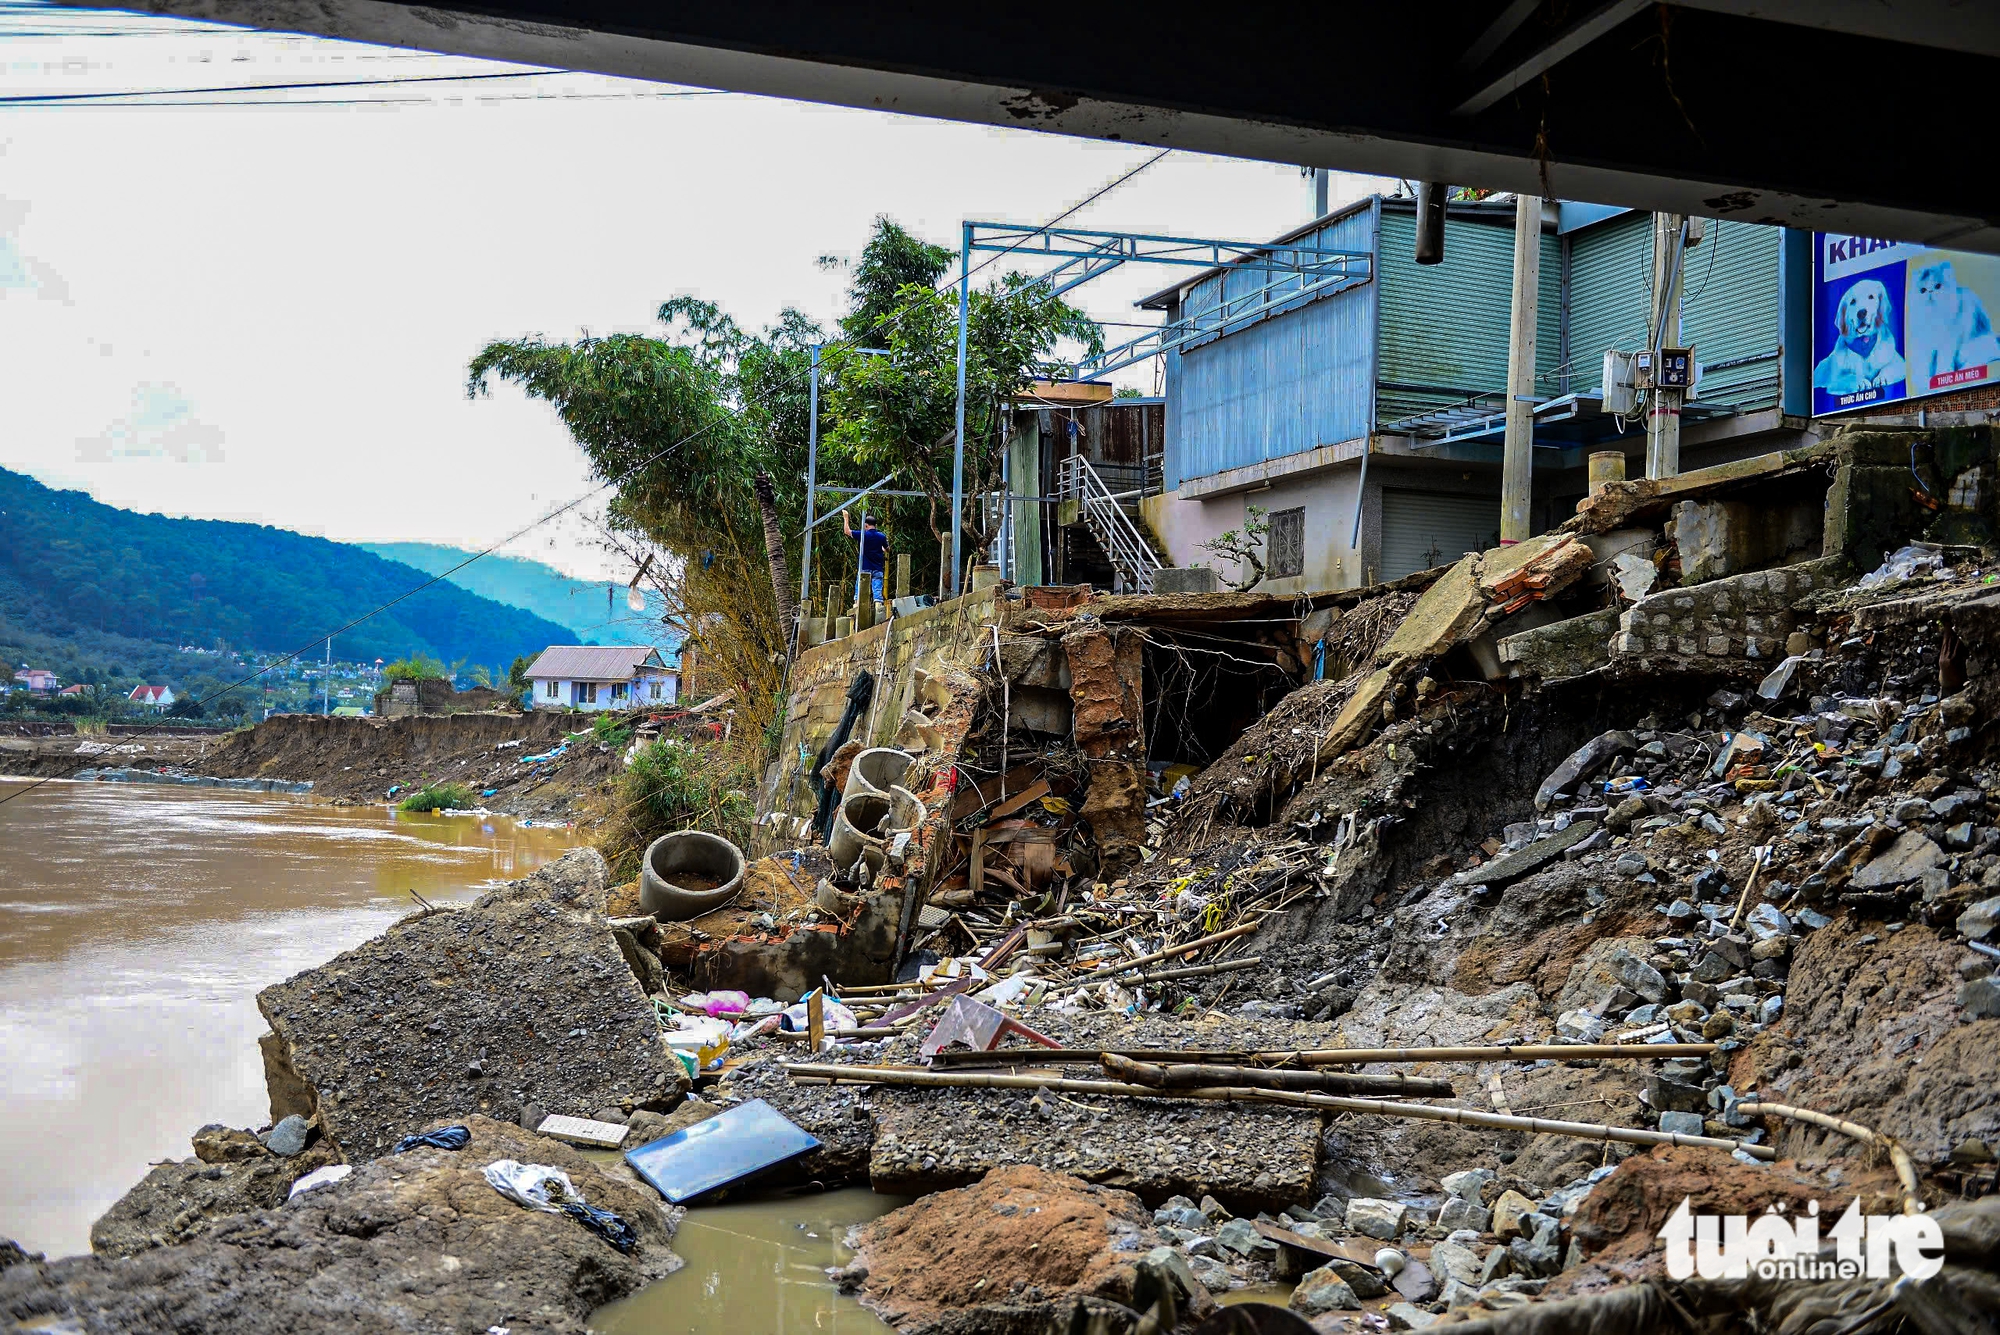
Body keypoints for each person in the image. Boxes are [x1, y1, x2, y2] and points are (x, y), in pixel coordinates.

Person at [843, 510, 889, 604]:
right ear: (875, 525)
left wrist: (846, 517)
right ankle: (878, 605)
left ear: (866, 525)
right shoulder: (881, 536)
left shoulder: (863, 534)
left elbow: (847, 531)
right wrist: (882, 548)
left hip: (864, 567)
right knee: (877, 590)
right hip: (877, 567)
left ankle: (856, 604)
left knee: (860, 587)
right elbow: (887, 548)